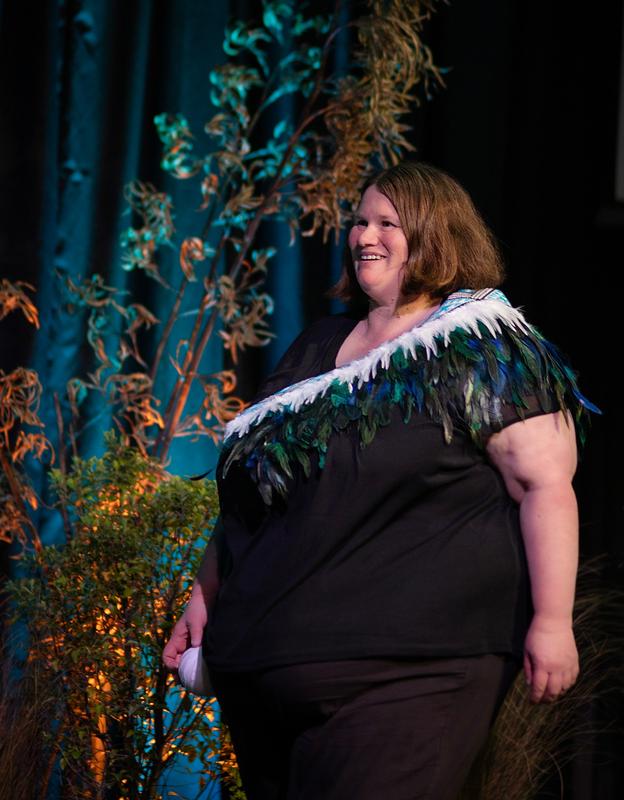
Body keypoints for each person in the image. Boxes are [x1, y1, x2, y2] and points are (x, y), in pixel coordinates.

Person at [163, 161, 600, 800]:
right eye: (361, 220)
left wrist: (552, 621)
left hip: (410, 673)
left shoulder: (479, 343)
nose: (366, 234)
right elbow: (254, 494)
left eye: (388, 222)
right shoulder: (317, 346)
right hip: (266, 672)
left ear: (436, 234)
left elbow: (545, 485)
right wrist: (207, 593)